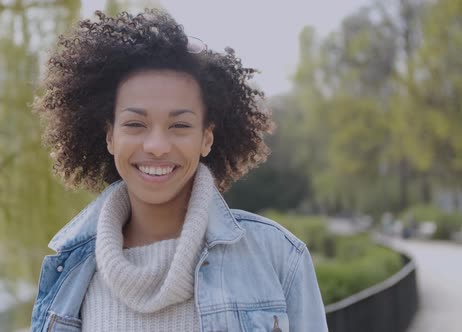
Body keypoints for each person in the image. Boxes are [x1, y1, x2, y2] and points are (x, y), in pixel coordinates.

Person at [30, 9, 328, 332]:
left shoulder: (280, 258)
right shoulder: (67, 274)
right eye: (135, 124)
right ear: (110, 136)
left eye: (180, 125)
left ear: (206, 138)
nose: (157, 145)